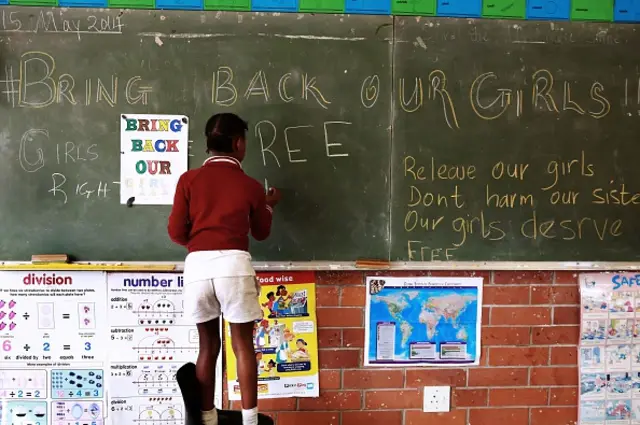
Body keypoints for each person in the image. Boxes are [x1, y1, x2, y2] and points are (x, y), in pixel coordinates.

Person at [168, 112, 281, 425]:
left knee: (208, 345)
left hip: (198, 269)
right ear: (238, 143)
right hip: (234, 266)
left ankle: (207, 419)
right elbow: (261, 232)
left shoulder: (188, 180)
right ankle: (250, 419)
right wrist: (269, 204)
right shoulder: (250, 186)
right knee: (242, 345)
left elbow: (176, 233)